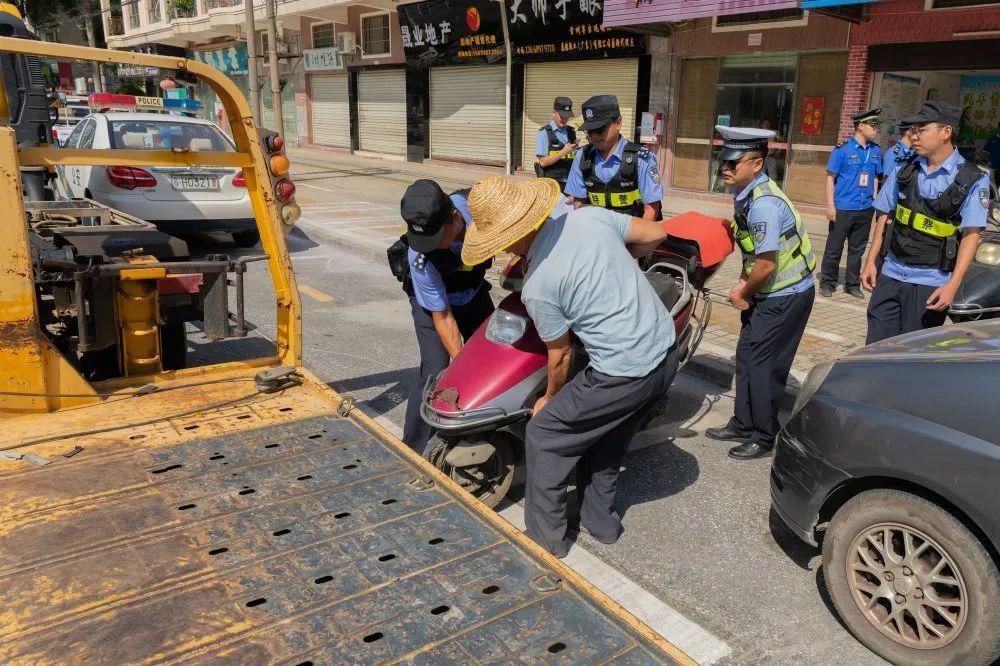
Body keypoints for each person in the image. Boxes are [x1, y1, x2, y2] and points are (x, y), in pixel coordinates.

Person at [461, 174, 676, 558]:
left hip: (622, 371)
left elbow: (560, 356)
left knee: (546, 434)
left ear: (510, 238)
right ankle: (601, 523)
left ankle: (547, 543)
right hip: (663, 349)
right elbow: (655, 234)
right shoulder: (588, 218)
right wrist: (610, 268)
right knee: (607, 436)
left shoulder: (539, 283)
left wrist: (549, 398)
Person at [704, 126, 816, 460]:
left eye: (733, 163)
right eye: (723, 161)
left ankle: (764, 435)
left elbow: (766, 265)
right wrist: (743, 284)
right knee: (746, 357)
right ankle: (742, 422)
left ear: (756, 164)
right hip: (767, 292)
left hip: (786, 295)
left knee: (765, 365)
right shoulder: (745, 194)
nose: (725, 168)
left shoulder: (764, 205)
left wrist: (744, 292)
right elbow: (752, 254)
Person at [861, 101, 988, 344]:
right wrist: (870, 261)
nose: (914, 135)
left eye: (921, 129)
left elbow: (971, 235)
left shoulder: (972, 179)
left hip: (930, 282)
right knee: (875, 349)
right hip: (890, 274)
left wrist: (953, 285)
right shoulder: (904, 170)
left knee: (912, 354)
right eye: (913, 129)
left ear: (946, 132)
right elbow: (884, 215)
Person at [394, 180, 496, 450]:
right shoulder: (420, 254)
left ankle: (488, 432)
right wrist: (461, 366)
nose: (430, 246)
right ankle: (414, 449)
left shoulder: (482, 211)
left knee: (495, 356)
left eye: (436, 239)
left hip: (471, 291)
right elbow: (443, 316)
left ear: (454, 217)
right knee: (437, 371)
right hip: (433, 306)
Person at [565, 95, 663, 221]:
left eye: (599, 129)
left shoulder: (642, 158)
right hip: (595, 232)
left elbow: (651, 210)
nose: (594, 136)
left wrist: (633, 240)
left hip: (633, 235)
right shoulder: (582, 156)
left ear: (618, 123)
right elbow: (579, 203)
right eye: (589, 131)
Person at [820, 107, 883, 299]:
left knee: (857, 249)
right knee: (834, 247)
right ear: (861, 126)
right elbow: (831, 178)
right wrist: (830, 205)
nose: (876, 129)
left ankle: (852, 284)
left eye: (877, 126)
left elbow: (875, 178)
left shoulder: (875, 151)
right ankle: (828, 282)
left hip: (865, 208)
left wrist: (874, 200)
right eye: (873, 125)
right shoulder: (842, 150)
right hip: (843, 207)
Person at [534, 97, 577, 192]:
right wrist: (562, 152)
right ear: (554, 113)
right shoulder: (544, 133)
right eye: (561, 116)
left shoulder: (571, 131)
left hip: (570, 182)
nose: (564, 119)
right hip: (552, 184)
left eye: (567, 116)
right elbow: (543, 162)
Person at [982, 121, 1000, 188]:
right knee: (991, 189)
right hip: (992, 171)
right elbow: (984, 154)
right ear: (998, 128)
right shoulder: (992, 140)